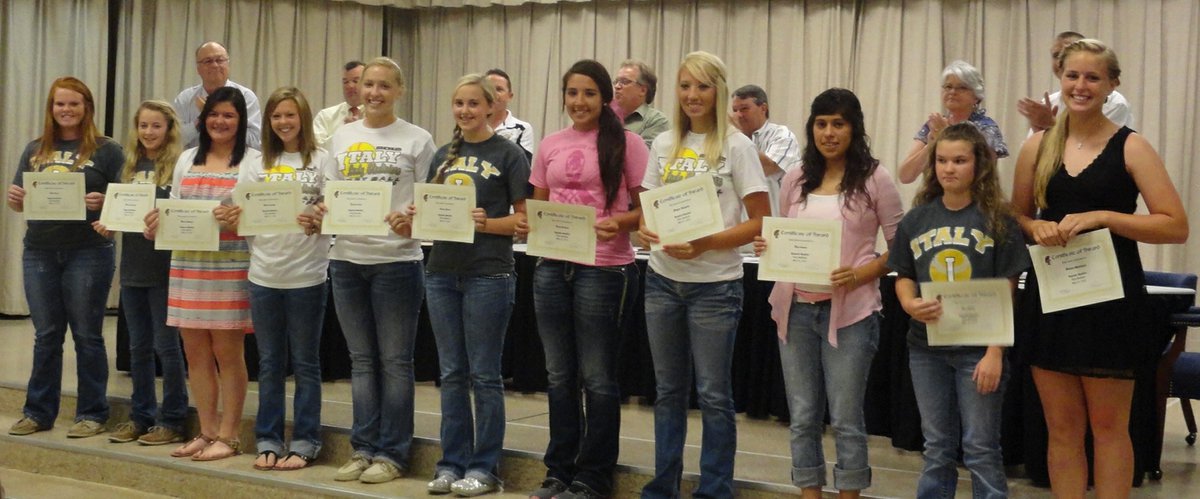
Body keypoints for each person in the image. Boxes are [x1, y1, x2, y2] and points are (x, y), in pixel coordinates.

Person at [1011, 39, 1187, 498]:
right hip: (1051, 299)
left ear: (1112, 85)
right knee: (1062, 430)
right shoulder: (1038, 146)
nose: (1081, 85)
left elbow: (1175, 226)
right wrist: (1036, 227)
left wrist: (1104, 217)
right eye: (1072, 76)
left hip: (1110, 303)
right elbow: (1015, 218)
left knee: (1109, 429)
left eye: (1092, 77)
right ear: (1060, 80)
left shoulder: (1133, 147)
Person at [637, 51, 771, 499]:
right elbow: (646, 209)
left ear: (719, 91)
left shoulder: (737, 146)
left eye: (703, 86)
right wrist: (645, 229)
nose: (693, 95)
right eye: (685, 86)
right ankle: (663, 486)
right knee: (668, 392)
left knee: (714, 395)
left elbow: (758, 223)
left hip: (715, 288)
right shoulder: (663, 143)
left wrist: (705, 244)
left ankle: (714, 489)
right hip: (661, 281)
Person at [758, 88, 904, 499]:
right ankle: (809, 493)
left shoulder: (876, 178)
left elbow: (901, 248)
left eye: (838, 123)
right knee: (803, 417)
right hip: (796, 311)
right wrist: (770, 247)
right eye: (821, 124)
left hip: (852, 315)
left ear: (854, 128)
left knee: (845, 418)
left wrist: (861, 275)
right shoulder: (796, 178)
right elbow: (786, 234)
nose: (829, 132)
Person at [528, 59, 650, 499]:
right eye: (572, 93)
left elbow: (645, 212)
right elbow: (536, 206)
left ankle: (593, 475)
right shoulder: (550, 144)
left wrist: (618, 224)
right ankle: (558, 470)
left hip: (605, 269)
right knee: (559, 374)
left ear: (604, 99)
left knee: (598, 378)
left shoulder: (629, 144)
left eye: (588, 94)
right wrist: (527, 224)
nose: (579, 102)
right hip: (551, 266)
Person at [889, 123, 1030, 499]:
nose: (949, 168)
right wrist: (908, 302)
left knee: (981, 447)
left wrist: (995, 352)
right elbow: (903, 274)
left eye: (959, 160)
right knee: (936, 446)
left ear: (978, 165)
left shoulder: (1000, 220)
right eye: (941, 160)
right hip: (926, 349)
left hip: (978, 352)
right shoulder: (917, 219)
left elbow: (1008, 290)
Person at [318, 56, 436, 485]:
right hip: (347, 260)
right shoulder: (340, 137)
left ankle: (393, 454)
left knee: (396, 362)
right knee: (362, 361)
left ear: (399, 91)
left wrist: (413, 218)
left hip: (397, 264)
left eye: (384, 86)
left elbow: (430, 203)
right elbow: (329, 194)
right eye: (369, 85)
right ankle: (363, 448)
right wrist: (323, 210)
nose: (375, 93)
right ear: (358, 88)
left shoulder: (418, 140)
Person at [418, 74, 530, 497]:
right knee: (451, 373)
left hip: (489, 274)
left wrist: (488, 222)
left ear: (490, 108)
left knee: (484, 375)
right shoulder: (443, 156)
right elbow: (432, 212)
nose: (465, 111)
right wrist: (415, 213)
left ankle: (486, 468)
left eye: (473, 104)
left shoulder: (509, 154)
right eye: (458, 104)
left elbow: (524, 222)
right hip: (442, 273)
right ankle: (451, 463)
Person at [6, 77, 123, 439]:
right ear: (51, 108)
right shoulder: (35, 149)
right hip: (39, 250)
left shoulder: (108, 150)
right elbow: (20, 197)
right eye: (60, 104)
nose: (67, 110)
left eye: (74, 104)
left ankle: (92, 412)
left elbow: (128, 200)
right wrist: (16, 199)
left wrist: (106, 202)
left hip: (89, 252)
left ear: (87, 107)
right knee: (46, 335)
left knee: (88, 335)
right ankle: (38, 411)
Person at [146, 86, 258, 461]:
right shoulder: (186, 158)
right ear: (202, 118)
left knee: (228, 352)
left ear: (241, 122)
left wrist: (241, 219)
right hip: (188, 264)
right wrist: (156, 224)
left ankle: (230, 434)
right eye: (214, 114)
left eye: (229, 115)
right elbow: (175, 209)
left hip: (230, 265)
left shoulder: (254, 162)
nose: (220, 122)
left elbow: (260, 216)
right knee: (194, 352)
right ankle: (207, 431)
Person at [228, 87, 331, 471]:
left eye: (290, 115)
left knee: (305, 363)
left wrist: (322, 215)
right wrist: (229, 216)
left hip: (308, 275)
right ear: (268, 122)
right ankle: (268, 439)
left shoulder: (323, 159)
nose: (284, 122)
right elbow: (240, 210)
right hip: (264, 274)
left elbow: (334, 208)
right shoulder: (256, 163)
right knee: (270, 363)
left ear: (303, 117)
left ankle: (305, 441)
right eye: (276, 116)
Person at [92, 100, 189, 446]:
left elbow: (183, 215)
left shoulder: (180, 165)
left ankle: (174, 419)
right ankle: (141, 416)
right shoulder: (128, 166)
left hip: (165, 269)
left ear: (169, 129)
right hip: (132, 268)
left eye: (156, 126)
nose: (149, 132)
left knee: (168, 347)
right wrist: (108, 222)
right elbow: (120, 210)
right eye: (143, 126)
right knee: (138, 348)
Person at [897, 60, 1008, 184]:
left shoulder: (986, 127)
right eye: (948, 87)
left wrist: (945, 135)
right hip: (933, 199)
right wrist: (932, 144)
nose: (952, 92)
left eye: (962, 87)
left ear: (976, 96)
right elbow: (905, 176)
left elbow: (984, 173)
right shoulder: (934, 124)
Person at [1017, 31, 1133, 134]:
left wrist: (1051, 126)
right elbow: (1033, 153)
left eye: (1092, 78)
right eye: (1056, 55)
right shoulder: (1050, 103)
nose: (1080, 86)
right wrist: (1039, 134)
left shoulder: (1116, 104)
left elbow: (1095, 149)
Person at [172, 41, 262, 149]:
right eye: (208, 61)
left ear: (228, 64)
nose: (215, 65)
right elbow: (174, 141)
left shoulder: (246, 97)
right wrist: (201, 120)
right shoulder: (185, 99)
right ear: (198, 69)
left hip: (236, 162)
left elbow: (255, 142)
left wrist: (223, 120)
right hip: (194, 162)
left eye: (219, 60)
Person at [730, 84, 801, 216]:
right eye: (735, 110)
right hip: (738, 226)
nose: (738, 115)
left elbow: (768, 167)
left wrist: (736, 136)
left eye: (744, 109)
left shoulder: (782, 135)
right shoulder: (730, 142)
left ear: (763, 108)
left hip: (773, 224)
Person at [612, 59, 671, 149]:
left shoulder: (657, 121)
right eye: (616, 81)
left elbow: (643, 155)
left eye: (624, 82)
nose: (617, 86)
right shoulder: (606, 117)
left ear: (642, 90)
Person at [486, 68, 536, 160]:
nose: (492, 93)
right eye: (489, 89)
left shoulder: (522, 129)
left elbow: (522, 167)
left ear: (510, 96)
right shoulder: (474, 125)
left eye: (499, 89)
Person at [313, 60, 366, 148]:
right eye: (345, 82)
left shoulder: (377, 116)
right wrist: (344, 132)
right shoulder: (325, 116)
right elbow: (316, 150)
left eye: (355, 81)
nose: (350, 86)